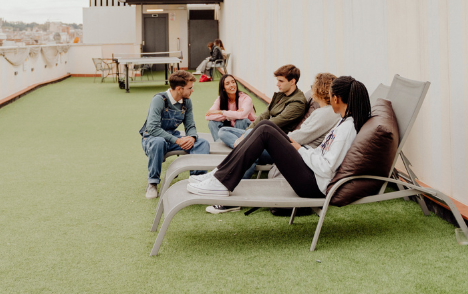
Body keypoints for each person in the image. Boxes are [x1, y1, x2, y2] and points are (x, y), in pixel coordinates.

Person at [186, 76, 371, 202]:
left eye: (331, 96)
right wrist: (304, 150)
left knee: (266, 131)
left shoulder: (346, 128)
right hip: (311, 170)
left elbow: (327, 167)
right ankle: (220, 174)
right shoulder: (344, 122)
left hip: (313, 184)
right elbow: (324, 155)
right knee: (265, 126)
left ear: (337, 98)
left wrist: (301, 150)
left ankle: (221, 181)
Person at [139, 70, 210, 199]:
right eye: (190, 88)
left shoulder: (186, 102)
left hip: (172, 138)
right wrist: (178, 141)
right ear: (179, 89)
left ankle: (197, 180)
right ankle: (152, 183)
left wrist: (192, 137)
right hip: (152, 139)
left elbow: (190, 125)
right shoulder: (159, 100)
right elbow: (153, 129)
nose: (192, 91)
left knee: (202, 143)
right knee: (159, 142)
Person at [205, 74, 256, 143]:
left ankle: (240, 146)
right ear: (223, 88)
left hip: (247, 129)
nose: (232, 85)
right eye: (227, 84)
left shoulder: (245, 98)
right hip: (231, 127)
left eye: (233, 82)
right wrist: (230, 117)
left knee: (240, 120)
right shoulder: (220, 99)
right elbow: (208, 116)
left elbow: (242, 115)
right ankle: (221, 146)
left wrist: (221, 112)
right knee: (212, 123)